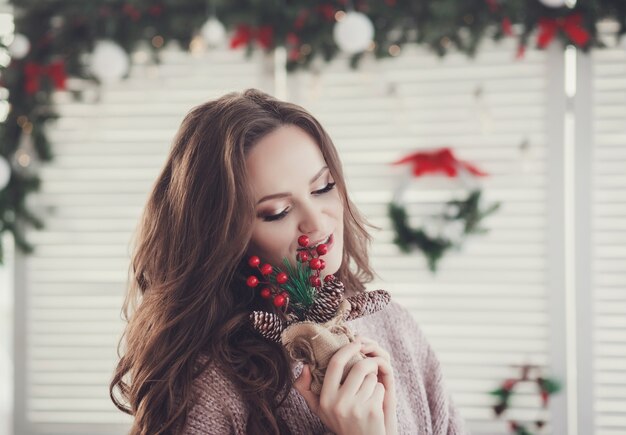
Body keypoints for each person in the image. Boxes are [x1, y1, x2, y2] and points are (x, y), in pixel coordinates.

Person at [109, 88, 468, 435]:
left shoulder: (394, 327)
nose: (316, 221)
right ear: (224, 236)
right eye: (277, 211)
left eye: (323, 187)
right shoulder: (209, 388)